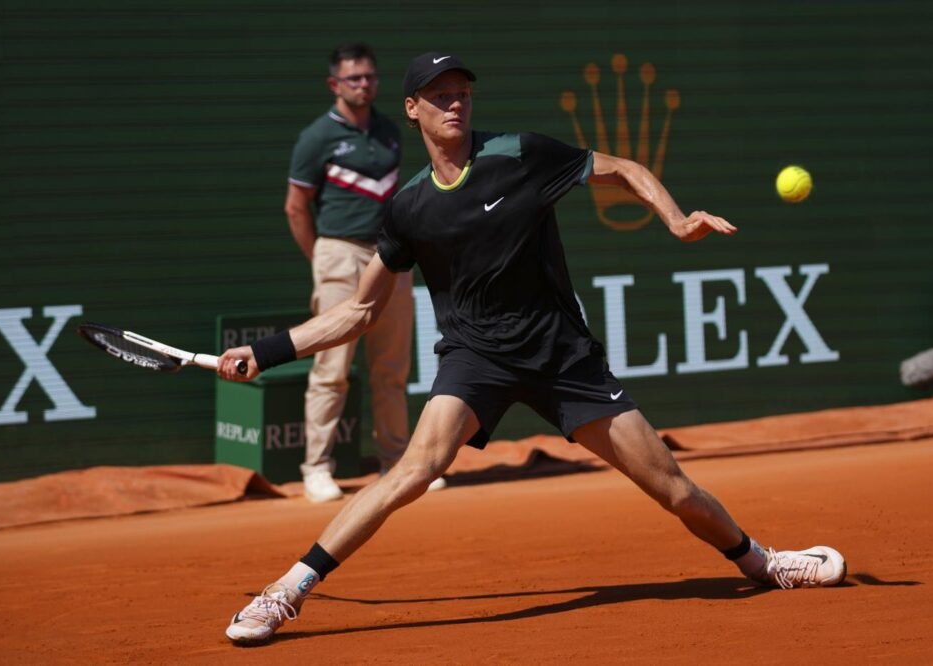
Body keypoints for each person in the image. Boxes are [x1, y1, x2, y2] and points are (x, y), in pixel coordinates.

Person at [219, 52, 847, 645]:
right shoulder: (407, 208)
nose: (455, 105)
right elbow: (358, 311)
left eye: (462, 94)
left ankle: (764, 563)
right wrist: (267, 351)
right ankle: (286, 590)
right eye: (440, 97)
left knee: (674, 489)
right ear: (413, 109)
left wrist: (677, 220)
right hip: (475, 359)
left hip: (559, 354)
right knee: (412, 472)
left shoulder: (520, 154)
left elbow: (622, 169)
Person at [285, 43, 445, 502]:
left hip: (389, 258)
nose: (364, 85)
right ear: (335, 85)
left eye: (370, 77)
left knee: (391, 370)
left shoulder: (392, 132)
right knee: (331, 367)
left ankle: (397, 464)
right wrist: (322, 257)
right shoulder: (316, 137)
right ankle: (315, 468)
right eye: (354, 78)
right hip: (339, 254)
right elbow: (296, 208)